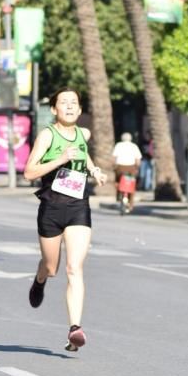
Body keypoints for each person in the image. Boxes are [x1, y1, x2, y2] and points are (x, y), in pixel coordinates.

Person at [22, 87, 107, 352]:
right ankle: (39, 279)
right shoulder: (48, 135)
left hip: (78, 206)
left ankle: (75, 328)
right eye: (64, 102)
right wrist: (60, 159)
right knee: (52, 267)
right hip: (51, 208)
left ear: (80, 110)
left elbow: (83, 151)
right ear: (55, 110)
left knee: (74, 268)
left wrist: (93, 169)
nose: (69, 106)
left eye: (74, 103)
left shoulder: (84, 133)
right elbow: (28, 172)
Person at [111, 132, 142, 211]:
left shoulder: (118, 145)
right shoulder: (134, 146)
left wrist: (114, 166)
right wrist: (137, 167)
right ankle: (130, 204)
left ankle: (118, 195)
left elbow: (114, 158)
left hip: (120, 168)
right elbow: (138, 160)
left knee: (117, 180)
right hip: (131, 168)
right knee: (132, 185)